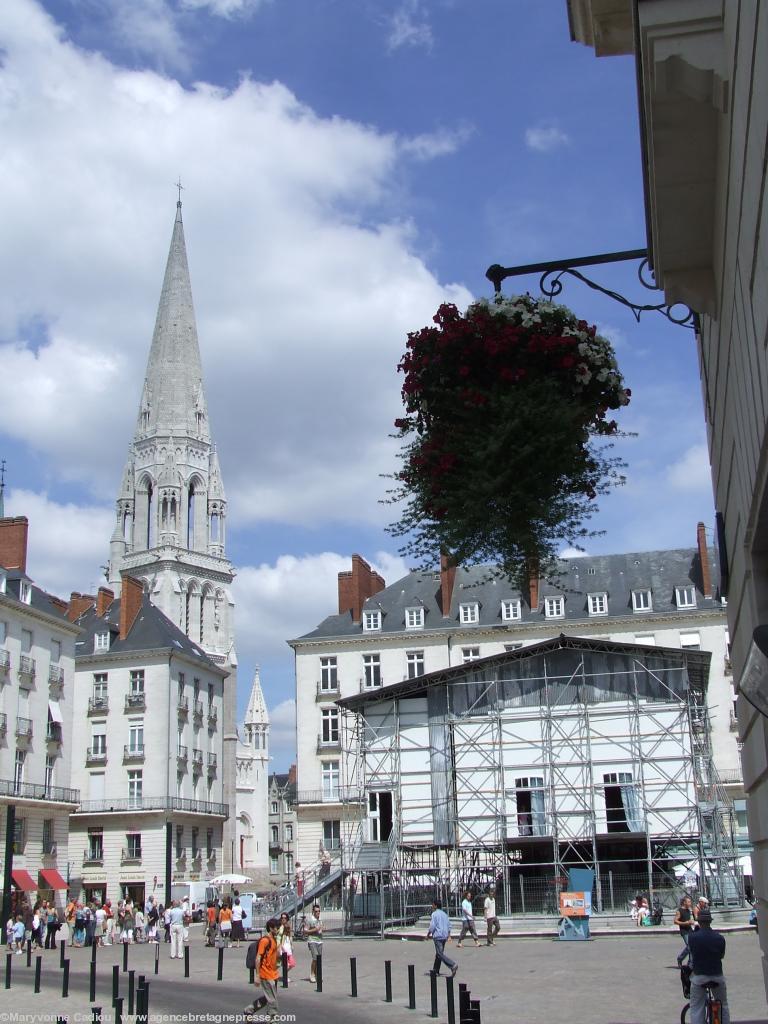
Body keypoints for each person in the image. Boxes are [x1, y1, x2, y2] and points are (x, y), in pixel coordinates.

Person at [687, 908, 730, 1024]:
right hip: (717, 976)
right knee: (723, 1005)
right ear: (710, 921)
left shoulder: (692, 937)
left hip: (699, 977)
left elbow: (692, 953)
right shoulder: (720, 938)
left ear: (699, 922)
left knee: (696, 1007)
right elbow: (721, 956)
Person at [247, 917, 280, 1021]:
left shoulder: (274, 939)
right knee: (272, 1000)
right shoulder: (265, 941)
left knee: (268, 998)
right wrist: (257, 975)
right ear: (271, 928)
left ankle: (249, 1010)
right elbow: (258, 958)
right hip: (265, 974)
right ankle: (272, 1019)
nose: (278, 929)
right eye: (276, 928)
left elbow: (275, 954)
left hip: (273, 973)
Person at [427, 899, 458, 977]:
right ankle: (435, 970)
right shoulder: (445, 914)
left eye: (433, 904)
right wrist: (449, 935)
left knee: (440, 954)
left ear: (436, 906)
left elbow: (432, 926)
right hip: (444, 936)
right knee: (439, 954)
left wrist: (428, 934)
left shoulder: (434, 914)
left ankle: (452, 965)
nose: (432, 906)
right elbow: (449, 925)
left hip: (438, 936)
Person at [306, 903, 323, 983]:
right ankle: (312, 974)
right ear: (313, 911)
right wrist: (314, 930)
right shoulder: (309, 920)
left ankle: (317, 974)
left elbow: (321, 928)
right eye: (316, 911)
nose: (318, 913)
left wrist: (323, 929)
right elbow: (305, 931)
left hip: (320, 940)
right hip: (312, 940)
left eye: (319, 911)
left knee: (319, 959)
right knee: (315, 957)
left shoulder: (320, 920)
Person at [675, 896, 695, 966]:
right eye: (688, 902)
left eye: (690, 902)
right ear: (684, 902)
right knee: (690, 947)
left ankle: (690, 963)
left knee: (692, 946)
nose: (690, 903)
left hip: (690, 930)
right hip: (684, 931)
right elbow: (675, 921)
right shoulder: (679, 911)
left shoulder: (688, 910)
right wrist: (685, 923)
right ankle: (680, 958)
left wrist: (691, 922)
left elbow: (688, 920)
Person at [277, 913, 295, 981]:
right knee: (280, 963)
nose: (283, 919)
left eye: (285, 918)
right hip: (280, 945)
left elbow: (290, 936)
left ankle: (284, 974)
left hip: (287, 946)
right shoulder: (279, 926)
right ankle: (284, 976)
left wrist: (292, 945)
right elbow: (277, 935)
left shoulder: (288, 926)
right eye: (282, 918)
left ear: (287, 919)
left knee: (291, 963)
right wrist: (279, 946)